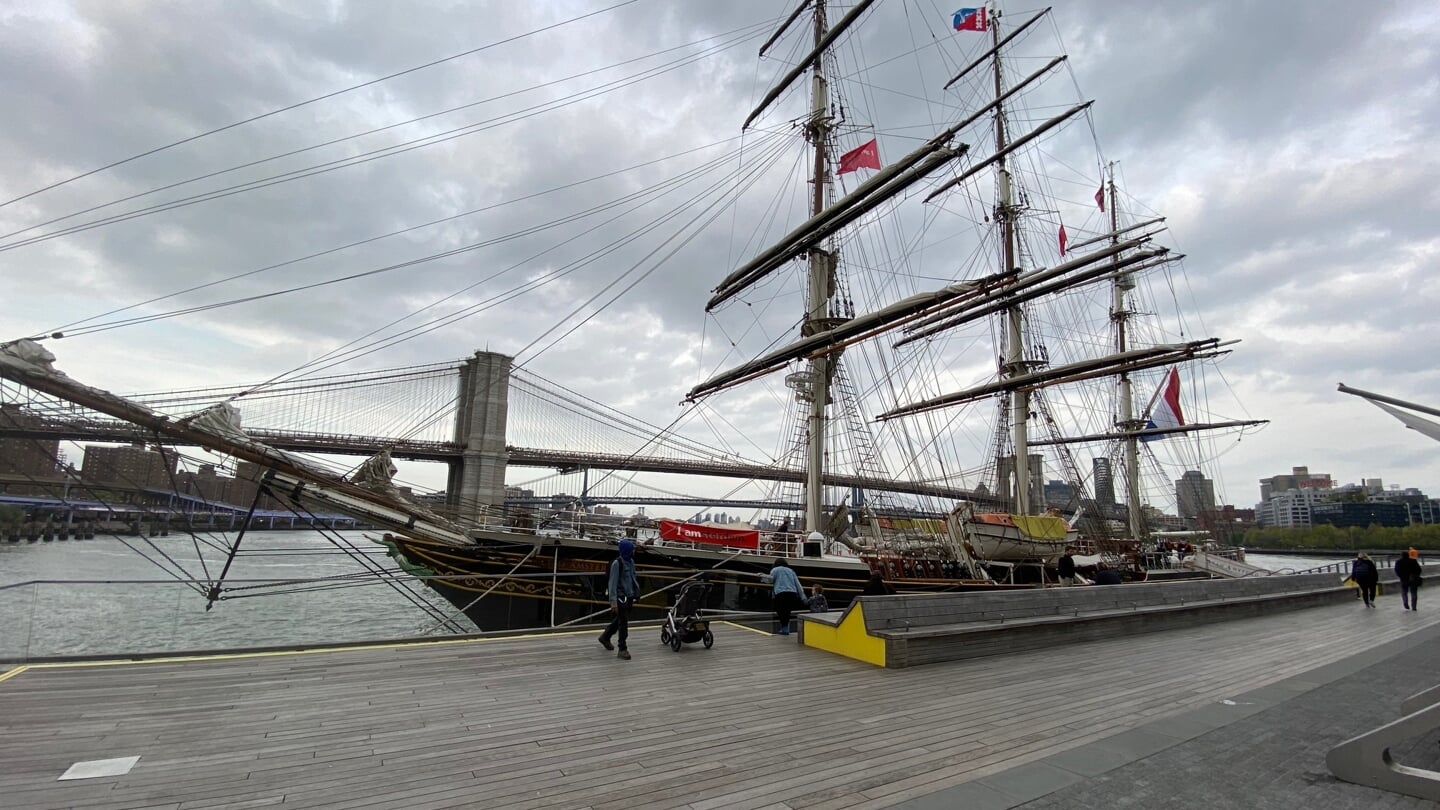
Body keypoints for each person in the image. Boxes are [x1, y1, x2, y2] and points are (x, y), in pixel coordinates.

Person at [598, 537, 640, 659]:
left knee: (621, 619)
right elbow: (612, 583)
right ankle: (622, 648)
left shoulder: (631, 562)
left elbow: (633, 578)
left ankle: (605, 636)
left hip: (630, 595)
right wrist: (613, 602)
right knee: (623, 623)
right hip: (621, 597)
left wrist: (636, 593)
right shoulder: (617, 564)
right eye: (632, 549)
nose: (633, 551)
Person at [763, 558, 804, 635]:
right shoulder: (791, 571)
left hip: (781, 593)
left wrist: (762, 576)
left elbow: (770, 580)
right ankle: (785, 628)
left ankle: (785, 629)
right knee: (787, 611)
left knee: (780, 611)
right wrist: (802, 596)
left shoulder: (775, 570)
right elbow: (798, 584)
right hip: (792, 593)